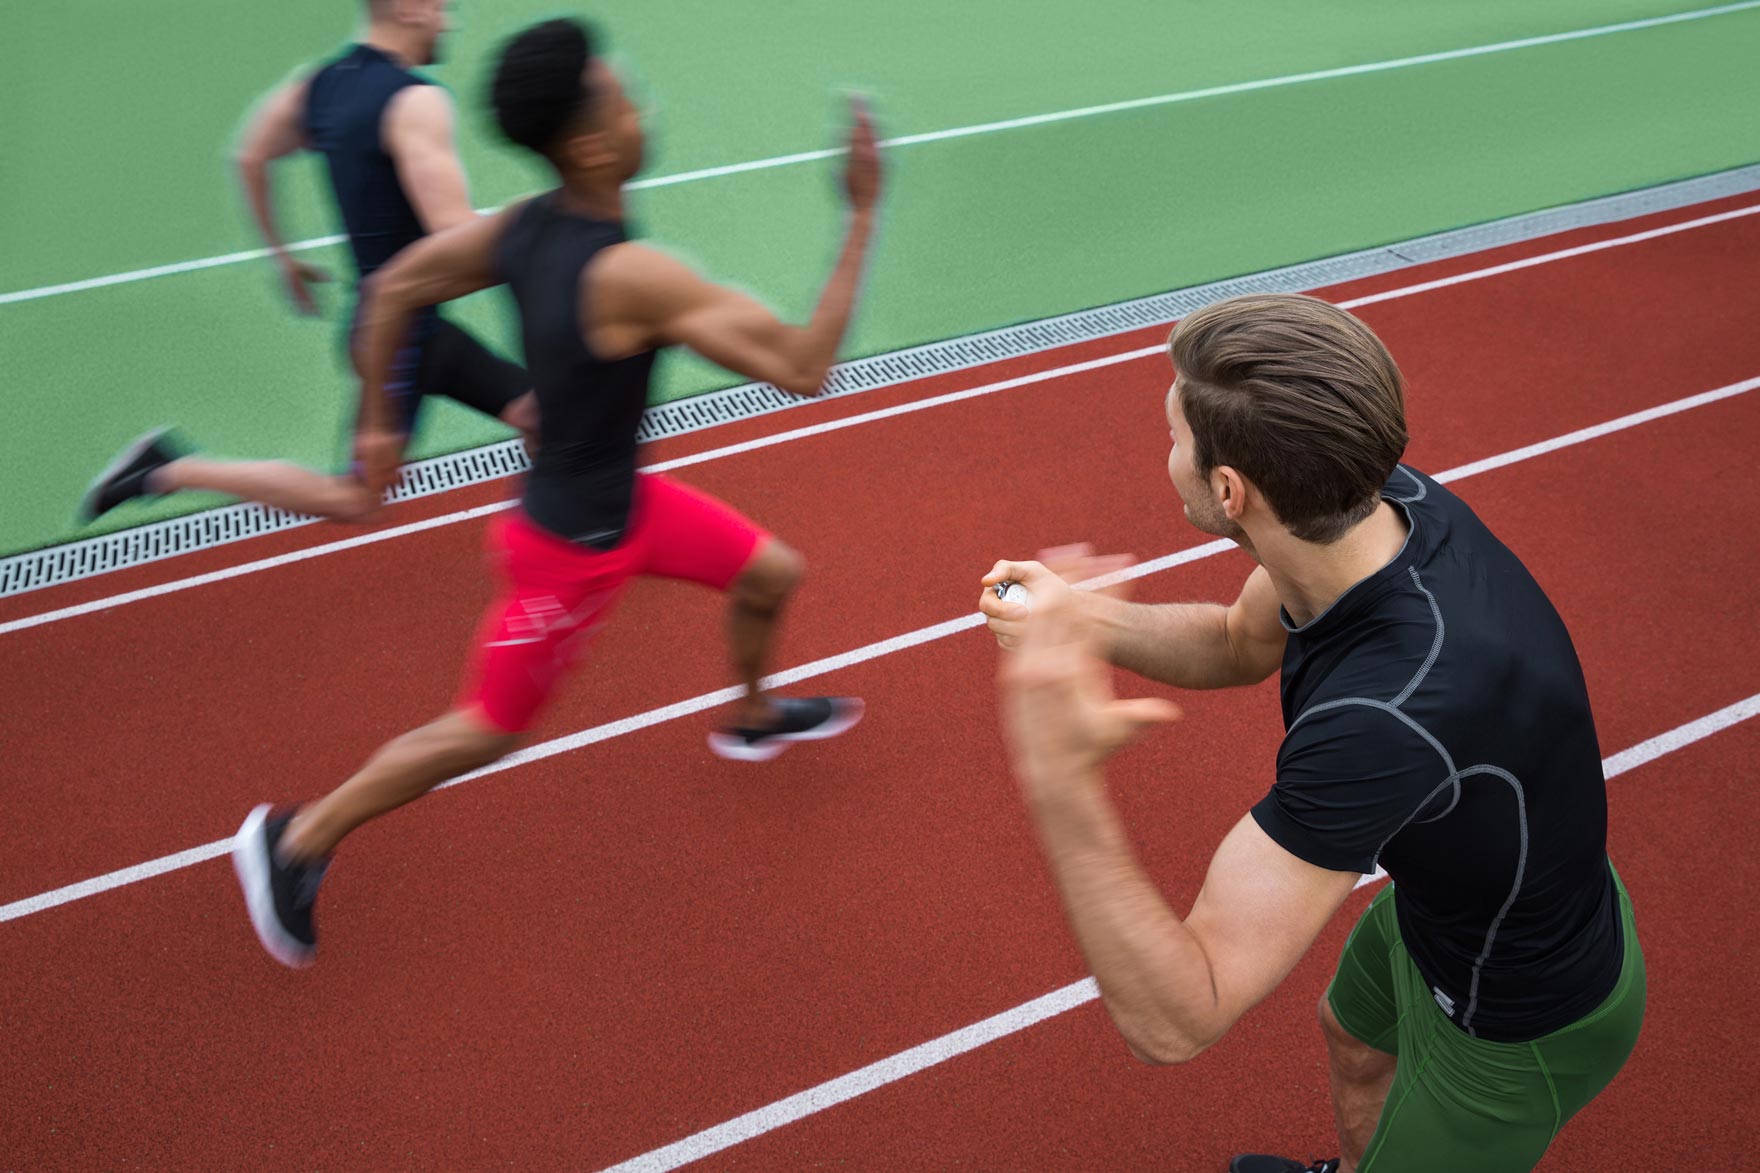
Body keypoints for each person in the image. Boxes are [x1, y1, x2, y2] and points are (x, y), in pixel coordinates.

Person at [232, 16, 877, 968]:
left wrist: (377, 415)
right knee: (486, 729)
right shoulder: (632, 274)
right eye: (625, 101)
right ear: (588, 143)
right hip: (568, 551)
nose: (642, 109)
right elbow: (806, 365)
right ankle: (293, 840)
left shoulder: (527, 227)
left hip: (629, 503)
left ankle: (748, 716)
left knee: (774, 573)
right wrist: (861, 211)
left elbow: (396, 285)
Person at [981, 293, 1644, 1172]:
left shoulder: (1385, 720)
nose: (1166, 452)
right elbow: (1233, 641)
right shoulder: (1374, 503)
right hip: (1445, 911)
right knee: (1355, 1038)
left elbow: (1182, 1018)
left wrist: (1061, 780)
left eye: (1173, 434)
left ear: (1229, 489)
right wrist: (1080, 619)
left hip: (1514, 1019)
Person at [82, 0, 536, 526]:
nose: (450, 20)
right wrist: (542, 227)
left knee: (540, 415)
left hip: (407, 326)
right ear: (410, 8)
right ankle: (169, 468)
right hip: (396, 338)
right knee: (353, 497)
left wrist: (283, 257)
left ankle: (567, 534)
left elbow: (250, 155)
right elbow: (452, 230)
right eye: (443, 7)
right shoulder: (417, 102)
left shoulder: (319, 85)